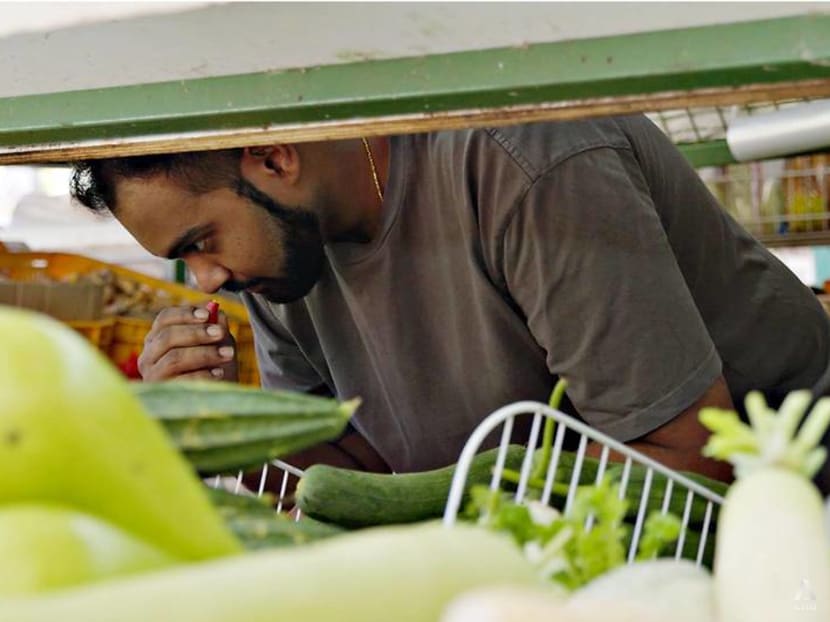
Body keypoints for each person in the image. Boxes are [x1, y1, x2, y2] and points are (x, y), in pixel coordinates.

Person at [69, 114, 830, 486]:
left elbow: (691, 459)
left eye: (201, 241)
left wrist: (450, 515)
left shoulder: (528, 163)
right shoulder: (277, 259)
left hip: (784, 495)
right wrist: (226, 427)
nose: (203, 280)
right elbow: (353, 477)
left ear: (273, 157)